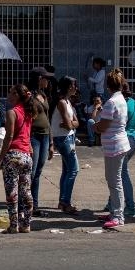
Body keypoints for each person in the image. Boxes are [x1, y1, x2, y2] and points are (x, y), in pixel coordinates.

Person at [0, 83, 37, 233]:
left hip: (13, 155)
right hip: (27, 155)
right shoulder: (29, 112)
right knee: (26, 191)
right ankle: (26, 224)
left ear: (17, 96)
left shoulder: (12, 112)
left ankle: (13, 225)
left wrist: (1, 158)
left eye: (11, 93)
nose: (8, 95)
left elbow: (9, 136)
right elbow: (27, 135)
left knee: (11, 191)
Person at [95, 68, 132, 229]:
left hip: (114, 146)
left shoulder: (111, 102)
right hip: (120, 143)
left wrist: (94, 125)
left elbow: (102, 126)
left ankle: (118, 216)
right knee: (114, 180)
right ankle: (114, 211)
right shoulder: (121, 99)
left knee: (114, 181)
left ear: (108, 86)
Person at [26, 67, 54, 216]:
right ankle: (27, 204)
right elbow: (27, 118)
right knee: (31, 172)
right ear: (38, 79)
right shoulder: (30, 96)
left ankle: (34, 205)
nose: (47, 81)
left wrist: (51, 142)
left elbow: (48, 119)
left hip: (44, 136)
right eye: (45, 78)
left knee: (38, 172)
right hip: (34, 136)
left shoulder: (44, 94)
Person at [51, 76, 80, 214]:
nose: (76, 88)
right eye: (74, 85)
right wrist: (70, 124)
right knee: (74, 170)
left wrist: (70, 124)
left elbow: (76, 123)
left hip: (68, 137)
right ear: (69, 87)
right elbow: (69, 125)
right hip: (63, 139)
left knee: (67, 170)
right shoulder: (62, 102)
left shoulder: (69, 102)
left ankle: (62, 201)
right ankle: (65, 202)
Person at [118, 81, 135, 218]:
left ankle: (130, 206)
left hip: (123, 140)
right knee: (117, 174)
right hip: (133, 139)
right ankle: (111, 202)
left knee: (122, 174)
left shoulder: (121, 104)